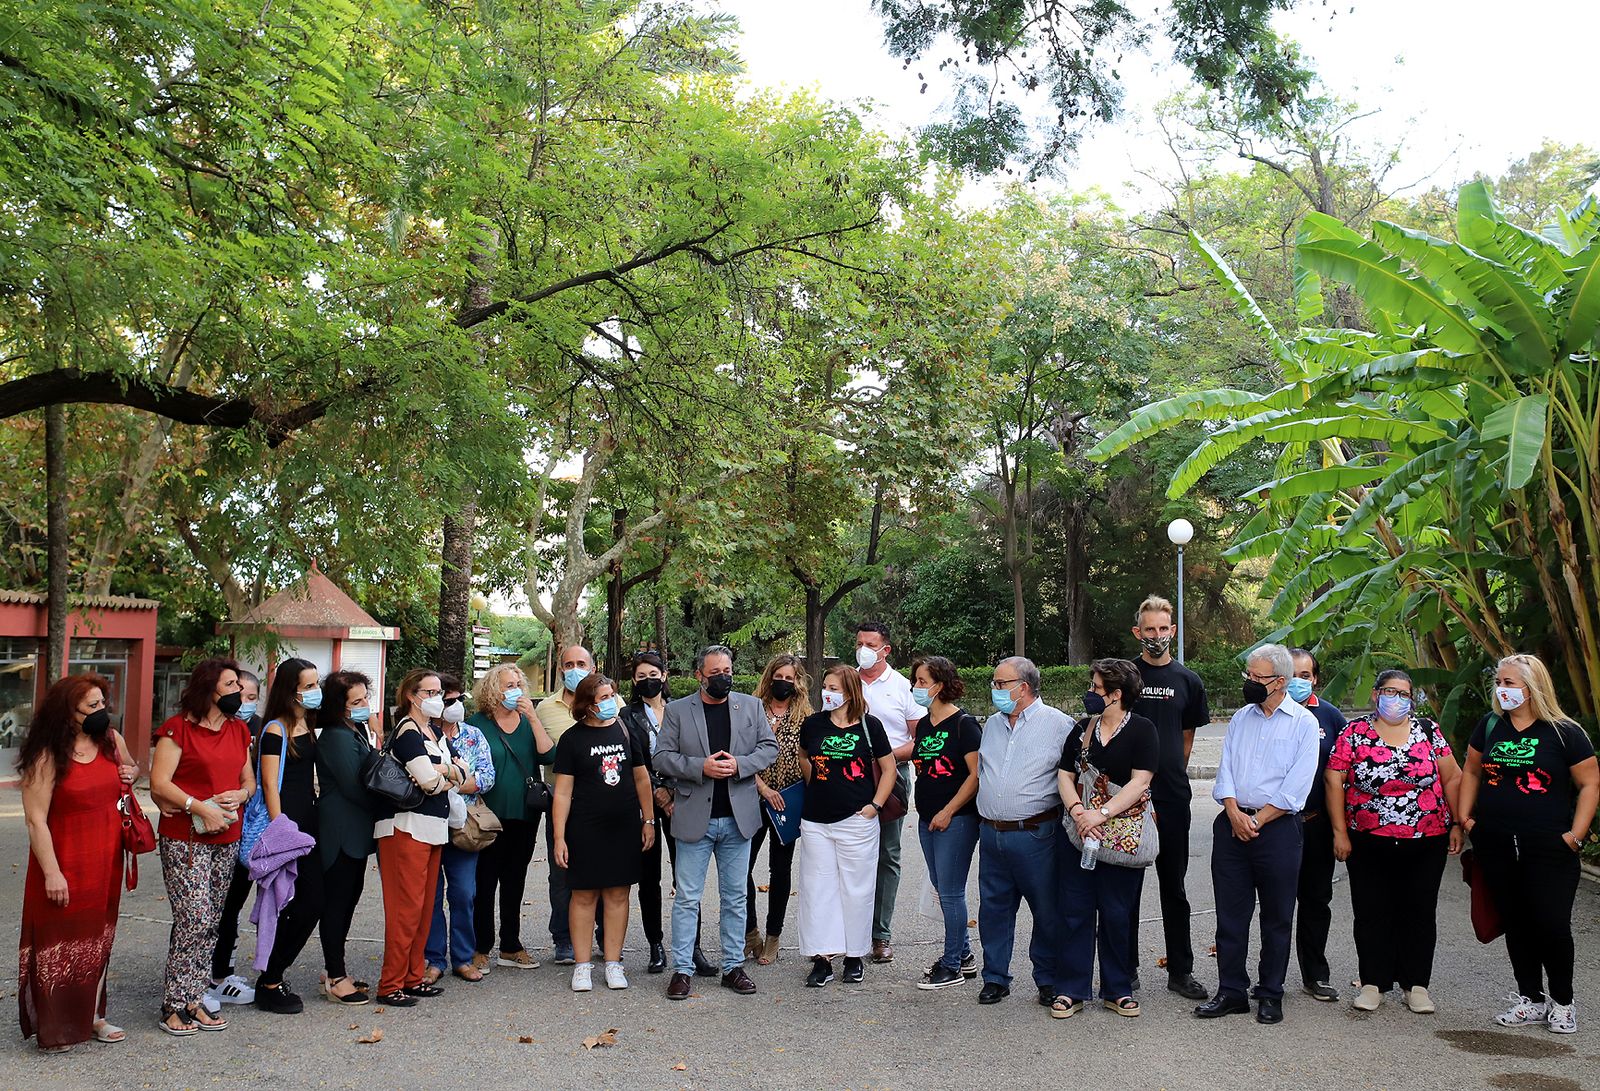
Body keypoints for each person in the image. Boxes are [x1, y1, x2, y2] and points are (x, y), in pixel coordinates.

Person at [1458, 653, 1598, 1035]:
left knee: (1552, 924)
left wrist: (1575, 835)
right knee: (1516, 923)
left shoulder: (1564, 732)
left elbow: (1589, 784)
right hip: (1496, 842)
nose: (1501, 690)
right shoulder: (1489, 726)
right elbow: (1470, 771)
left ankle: (1564, 1003)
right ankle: (1531, 999)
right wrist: (1467, 819)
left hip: (1550, 847)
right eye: (1498, 683)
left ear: (1533, 687)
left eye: (1509, 683)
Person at [1326, 668, 1462, 1015]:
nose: (1397, 699)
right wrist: (1340, 832)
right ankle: (1373, 983)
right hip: (1368, 839)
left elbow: (1452, 777)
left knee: (1418, 912)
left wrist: (1460, 822)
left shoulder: (1428, 731)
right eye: (1390, 691)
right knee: (1372, 911)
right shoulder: (1354, 732)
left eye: (1404, 694)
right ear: (1375, 695)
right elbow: (1333, 778)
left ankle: (1416, 986)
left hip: (1426, 839)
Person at [1196, 643, 1318, 1025]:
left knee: (1277, 916)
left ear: (1279, 682)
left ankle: (1270, 993)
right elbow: (1226, 769)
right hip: (1232, 825)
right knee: (1231, 916)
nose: (1248, 683)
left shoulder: (1303, 723)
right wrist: (1232, 811)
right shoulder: (1240, 718)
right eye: (1247, 675)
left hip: (1278, 830)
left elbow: (1296, 787)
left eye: (1256, 677)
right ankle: (1231, 991)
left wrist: (1258, 819)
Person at [18, 674, 137, 1052]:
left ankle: (94, 1016)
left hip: (106, 858)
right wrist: (52, 872)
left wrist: (130, 773)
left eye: (103, 703)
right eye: (92, 706)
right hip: (63, 861)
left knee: (98, 937)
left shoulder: (111, 741)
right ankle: (56, 1026)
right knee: (59, 942)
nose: (102, 711)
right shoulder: (46, 754)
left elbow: (130, 771)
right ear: (68, 713)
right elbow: (36, 820)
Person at [653, 645, 778, 999]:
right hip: (695, 818)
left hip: (738, 818)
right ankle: (682, 970)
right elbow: (661, 757)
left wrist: (740, 765)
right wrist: (699, 768)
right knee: (687, 898)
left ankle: (733, 966)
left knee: (736, 898)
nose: (723, 677)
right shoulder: (677, 710)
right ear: (699, 676)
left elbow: (768, 748)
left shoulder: (750, 706)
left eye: (727, 671)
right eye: (715, 673)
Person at [149, 657, 254, 1036]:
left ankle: (195, 999)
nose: (239, 692)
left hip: (226, 835)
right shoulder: (178, 730)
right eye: (231, 685)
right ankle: (174, 1004)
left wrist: (239, 794)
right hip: (185, 838)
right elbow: (159, 783)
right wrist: (199, 807)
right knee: (193, 918)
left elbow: (249, 782)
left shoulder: (238, 730)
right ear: (209, 689)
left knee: (210, 922)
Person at [1054, 659, 1158, 1019]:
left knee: (1116, 913)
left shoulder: (1143, 730)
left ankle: (1118, 988)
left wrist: (1101, 814)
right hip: (1079, 832)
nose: (1090, 694)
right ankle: (1071, 987)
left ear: (1116, 695)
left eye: (1097, 689)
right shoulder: (1083, 729)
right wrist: (1078, 813)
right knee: (1076, 912)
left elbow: (1140, 781)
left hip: (1121, 834)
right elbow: (1065, 775)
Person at [975, 656, 1075, 1007]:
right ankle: (995, 978)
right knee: (993, 909)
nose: (995, 689)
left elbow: (1073, 776)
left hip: (1036, 834)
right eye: (994, 683)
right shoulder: (991, 725)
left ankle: (1047, 979)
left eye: (1001, 684)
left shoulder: (1059, 725)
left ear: (1024, 687)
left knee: (1046, 910)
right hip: (992, 834)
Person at [1127, 594, 1211, 1000]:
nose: (1157, 636)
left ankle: (1181, 971)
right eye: (1150, 629)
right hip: (1127, 798)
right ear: (1137, 632)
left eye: (1163, 629)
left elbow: (1186, 738)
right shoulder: (1126, 679)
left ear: (1173, 631)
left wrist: (1168, 773)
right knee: (1126, 887)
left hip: (1173, 798)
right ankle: (1124, 970)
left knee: (1173, 888)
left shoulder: (1188, 681)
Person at [551, 674, 655, 991]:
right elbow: (562, 793)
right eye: (603, 697)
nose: (610, 701)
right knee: (583, 896)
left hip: (623, 826)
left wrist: (648, 820)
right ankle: (582, 966)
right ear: (587, 704)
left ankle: (613, 962)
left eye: (612, 694)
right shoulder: (572, 739)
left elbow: (641, 780)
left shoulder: (625, 730)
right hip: (584, 827)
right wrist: (559, 837)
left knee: (617, 894)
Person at [795, 665, 895, 988]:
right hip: (816, 822)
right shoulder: (813, 724)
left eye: (834, 688)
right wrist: (818, 787)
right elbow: (804, 757)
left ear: (851, 692)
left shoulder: (870, 727)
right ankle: (822, 958)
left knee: (856, 890)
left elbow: (889, 768)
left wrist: (874, 805)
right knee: (818, 890)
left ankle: (854, 956)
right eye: (825, 686)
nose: (828, 693)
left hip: (857, 822)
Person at [373, 669, 466, 1007]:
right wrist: (449, 774)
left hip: (431, 829)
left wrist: (448, 772)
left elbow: (462, 771)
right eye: (429, 692)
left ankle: (412, 977)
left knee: (425, 907)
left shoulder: (434, 733)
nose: (437, 698)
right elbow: (429, 782)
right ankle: (391, 982)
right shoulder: (408, 733)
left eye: (439, 692)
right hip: (404, 828)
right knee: (405, 909)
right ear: (412, 696)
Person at [469, 663, 556, 974]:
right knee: (484, 881)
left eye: (518, 684)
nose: (515, 690)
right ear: (493, 689)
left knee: (514, 880)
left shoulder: (527, 721)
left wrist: (532, 717)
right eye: (508, 685)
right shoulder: (478, 723)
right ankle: (481, 947)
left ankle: (511, 944)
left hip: (524, 814)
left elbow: (548, 755)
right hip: (487, 816)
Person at [250, 659, 325, 1014]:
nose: (314, 692)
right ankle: (268, 981)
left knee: (311, 902)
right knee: (288, 903)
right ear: (290, 690)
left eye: (315, 684)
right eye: (308, 686)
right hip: (286, 826)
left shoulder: (307, 722)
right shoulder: (276, 729)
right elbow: (268, 783)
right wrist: (282, 829)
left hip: (307, 821)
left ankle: (272, 974)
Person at [908, 655, 981, 990]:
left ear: (940, 685)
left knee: (951, 893)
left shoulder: (964, 725)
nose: (916, 687)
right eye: (916, 681)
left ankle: (951, 965)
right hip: (927, 819)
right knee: (942, 889)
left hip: (957, 820)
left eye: (922, 682)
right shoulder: (924, 724)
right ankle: (963, 957)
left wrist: (949, 810)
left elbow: (975, 776)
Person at [853, 622, 920, 964]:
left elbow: (917, 739)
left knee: (887, 857)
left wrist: (886, 758)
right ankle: (845, 934)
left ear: (885, 650)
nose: (863, 649)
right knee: (847, 856)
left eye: (870, 644)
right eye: (860, 642)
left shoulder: (902, 687)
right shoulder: (845, 682)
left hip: (891, 777)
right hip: (848, 778)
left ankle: (881, 935)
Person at [426, 672, 496, 984]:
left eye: (456, 699)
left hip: (465, 826)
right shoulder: (420, 735)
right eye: (446, 700)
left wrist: (454, 781)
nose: (452, 705)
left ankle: (464, 958)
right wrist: (453, 778)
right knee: (430, 896)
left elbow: (487, 775)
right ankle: (434, 958)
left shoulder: (473, 735)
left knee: (464, 893)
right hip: (429, 823)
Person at [314, 670, 378, 1005]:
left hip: (355, 828)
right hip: (340, 829)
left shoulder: (355, 730)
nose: (365, 704)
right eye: (356, 701)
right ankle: (335, 976)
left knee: (349, 896)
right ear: (339, 706)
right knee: (338, 901)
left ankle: (333, 967)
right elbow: (356, 786)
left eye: (365, 697)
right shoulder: (337, 737)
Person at [1288, 648, 1348, 1003]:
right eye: (1292, 673)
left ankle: (1315, 975)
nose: (1299, 681)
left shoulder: (1331, 717)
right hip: (1276, 826)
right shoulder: (1269, 714)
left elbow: (1340, 777)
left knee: (1315, 902)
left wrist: (1341, 830)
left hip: (1316, 825)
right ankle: (1270, 978)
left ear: (1316, 679)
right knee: (1276, 904)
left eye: (1305, 675)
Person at [746, 654, 811, 966]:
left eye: (790, 677)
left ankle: (773, 935)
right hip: (751, 797)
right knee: (741, 868)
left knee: (780, 870)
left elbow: (808, 759)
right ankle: (750, 932)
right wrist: (763, 788)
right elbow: (741, 754)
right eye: (779, 676)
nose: (783, 682)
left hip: (788, 803)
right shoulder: (751, 710)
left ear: (796, 682)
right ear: (769, 676)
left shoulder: (806, 716)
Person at [536, 644, 596, 964]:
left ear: (593, 667)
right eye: (569, 664)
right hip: (561, 802)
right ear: (561, 670)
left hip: (601, 806)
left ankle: (597, 933)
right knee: (561, 873)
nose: (575, 669)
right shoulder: (545, 708)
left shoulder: (612, 702)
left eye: (581, 663)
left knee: (600, 870)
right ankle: (563, 937)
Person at [206, 667, 262, 1012]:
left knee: (234, 904)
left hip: (247, 829)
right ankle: (207, 977)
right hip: (213, 825)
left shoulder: (258, 729)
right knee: (212, 908)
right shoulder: (213, 731)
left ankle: (222, 973)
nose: (244, 703)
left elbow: (253, 782)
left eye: (252, 698)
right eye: (239, 695)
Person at [619, 651, 672, 973]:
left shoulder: (682, 709)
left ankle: (691, 946)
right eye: (641, 676)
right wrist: (657, 792)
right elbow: (631, 759)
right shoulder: (627, 715)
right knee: (648, 876)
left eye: (653, 673)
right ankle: (655, 943)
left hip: (682, 800)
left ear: (664, 675)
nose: (648, 680)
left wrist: (673, 792)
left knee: (687, 877)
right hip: (644, 801)